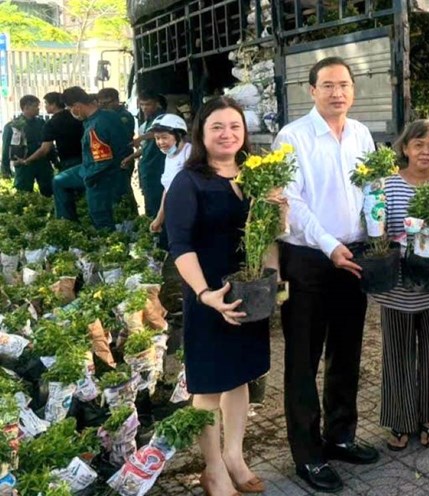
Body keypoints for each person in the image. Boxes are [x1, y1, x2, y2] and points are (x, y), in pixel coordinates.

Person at [274, 56, 377, 494]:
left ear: (353, 90)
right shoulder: (292, 136)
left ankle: (340, 435)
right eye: (328, 85)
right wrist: (328, 245)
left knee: (347, 351)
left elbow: (372, 188)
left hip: (353, 256)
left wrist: (379, 235)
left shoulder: (362, 133)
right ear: (311, 90)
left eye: (344, 85)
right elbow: (293, 204)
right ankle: (308, 454)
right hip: (309, 261)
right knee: (303, 358)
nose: (337, 93)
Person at [165, 96, 269, 496]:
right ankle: (213, 468)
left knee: (240, 377)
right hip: (210, 295)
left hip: (249, 291)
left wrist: (280, 210)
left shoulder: (255, 175)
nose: (227, 134)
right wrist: (206, 294)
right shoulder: (189, 181)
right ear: (201, 134)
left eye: (235, 127)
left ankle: (235, 456)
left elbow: (270, 233)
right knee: (209, 388)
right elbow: (180, 245)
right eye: (217, 127)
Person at [371, 119, 429, 452]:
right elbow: (376, 229)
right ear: (405, 148)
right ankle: (400, 419)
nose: (425, 151)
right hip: (397, 284)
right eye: (418, 144)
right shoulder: (386, 185)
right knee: (397, 352)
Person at [53, 86, 129, 230]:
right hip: (112, 169)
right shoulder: (109, 115)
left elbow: (102, 162)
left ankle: (72, 227)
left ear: (77, 106)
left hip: (99, 175)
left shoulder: (95, 126)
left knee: (100, 216)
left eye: (70, 109)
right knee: (59, 181)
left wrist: (87, 179)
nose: (71, 113)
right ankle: (69, 223)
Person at [124, 89, 166, 218]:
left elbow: (160, 131)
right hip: (146, 167)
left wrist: (140, 138)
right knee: (148, 201)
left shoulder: (163, 118)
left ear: (156, 103)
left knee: (156, 203)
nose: (144, 108)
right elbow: (146, 148)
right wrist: (130, 157)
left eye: (148, 104)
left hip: (156, 168)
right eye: (142, 104)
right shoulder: (147, 121)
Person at [1, 95, 53, 195]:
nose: (38, 108)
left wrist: (54, 160)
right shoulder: (13, 126)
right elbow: (6, 148)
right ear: (26, 107)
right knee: (23, 192)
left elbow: (48, 144)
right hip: (23, 164)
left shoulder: (41, 123)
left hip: (42, 163)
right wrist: (5, 168)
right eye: (35, 106)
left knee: (49, 191)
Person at [19, 92, 83, 172]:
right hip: (85, 157)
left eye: (46, 103)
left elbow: (45, 149)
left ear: (53, 105)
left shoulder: (51, 123)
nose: (44, 107)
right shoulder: (76, 115)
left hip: (68, 161)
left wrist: (27, 160)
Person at [149, 113, 191, 234]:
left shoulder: (190, 153)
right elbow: (167, 189)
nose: (160, 142)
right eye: (157, 138)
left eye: (164, 137)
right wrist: (159, 218)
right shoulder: (169, 156)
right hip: (175, 214)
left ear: (178, 135)